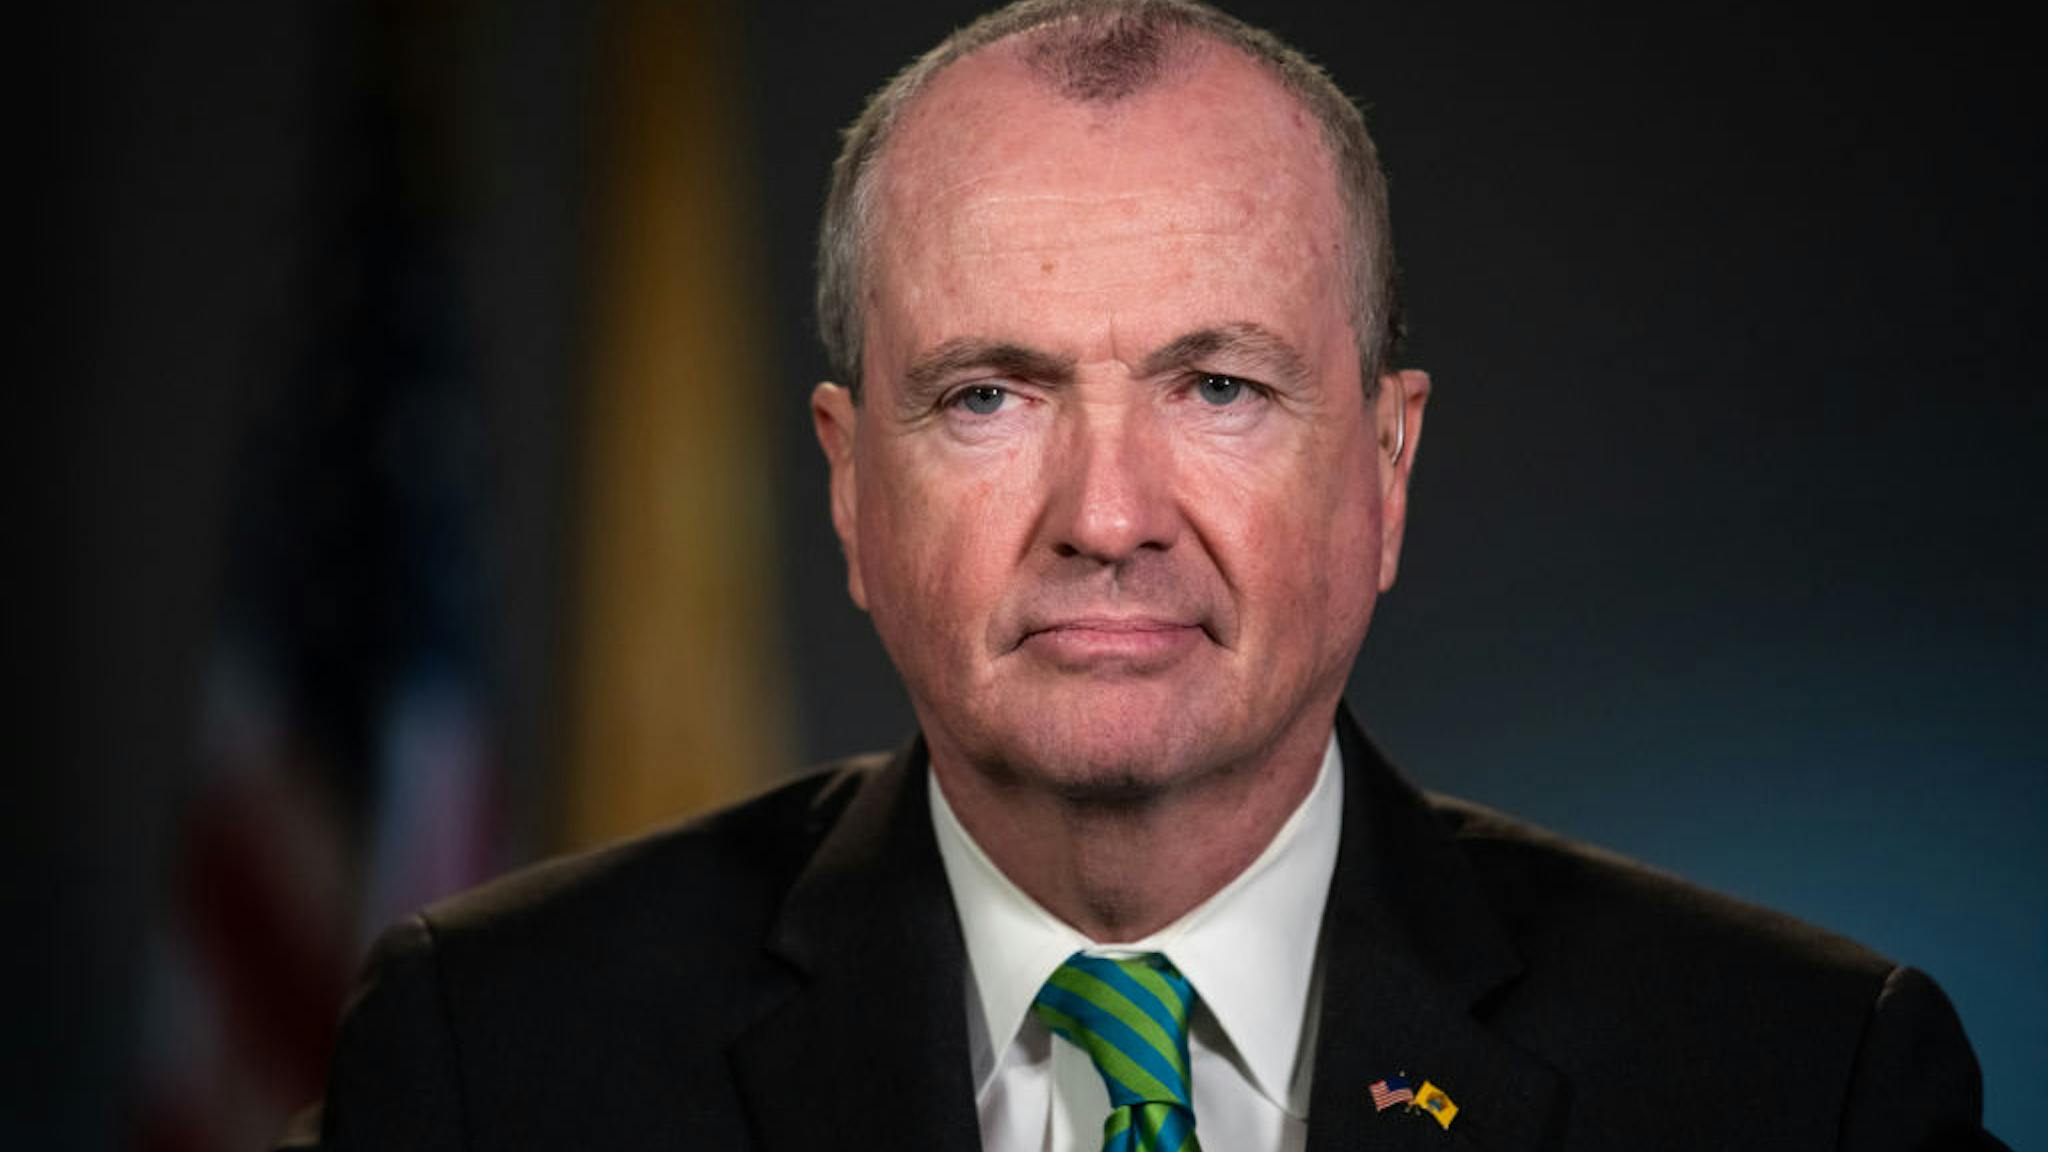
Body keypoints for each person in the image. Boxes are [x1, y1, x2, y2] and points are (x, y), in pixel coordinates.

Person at [284, 2, 2004, 1149]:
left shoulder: (1806, 1087)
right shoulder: (492, 1062)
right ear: (845, 487)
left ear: (1387, 473)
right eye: (988, 394)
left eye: (1221, 387)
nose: (1108, 514)